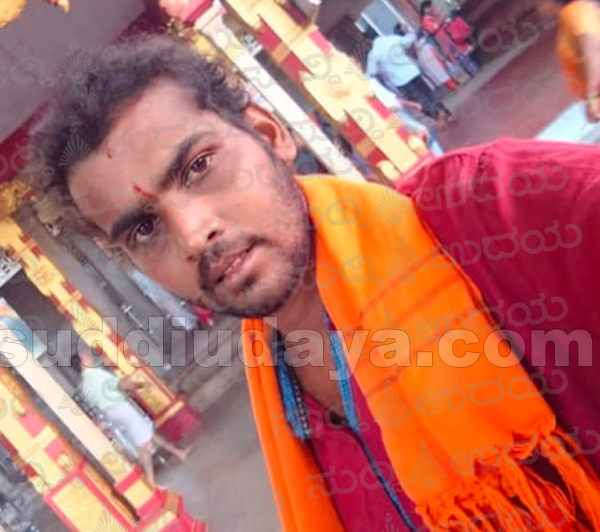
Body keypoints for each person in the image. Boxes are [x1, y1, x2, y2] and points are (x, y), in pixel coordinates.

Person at [30, 35, 600, 532]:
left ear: (269, 133)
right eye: (144, 228)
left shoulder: (494, 211)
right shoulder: (285, 410)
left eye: (198, 166)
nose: (194, 233)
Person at [73, 347, 192, 487]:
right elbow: (121, 385)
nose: (89, 356)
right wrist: (139, 384)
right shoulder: (97, 373)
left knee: (147, 432)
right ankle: (151, 481)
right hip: (121, 408)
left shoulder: (83, 386)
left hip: (110, 414)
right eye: (85, 356)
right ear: (82, 363)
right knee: (143, 445)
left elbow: (95, 405)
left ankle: (178, 452)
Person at [367, 24, 451, 127]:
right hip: (413, 71)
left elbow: (371, 72)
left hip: (401, 81)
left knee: (419, 101)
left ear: (369, 41)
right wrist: (407, 34)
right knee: (428, 94)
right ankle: (443, 111)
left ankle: (438, 114)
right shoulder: (392, 39)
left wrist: (383, 70)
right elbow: (409, 41)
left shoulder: (373, 53)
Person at [535, 0, 600, 121]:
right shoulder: (570, 14)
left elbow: (594, 49)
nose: (536, 6)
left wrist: (593, 96)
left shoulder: (574, 12)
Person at [368, 74, 444, 155]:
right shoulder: (372, 82)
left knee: (420, 134)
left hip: (394, 113)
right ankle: (438, 155)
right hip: (396, 112)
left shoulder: (373, 80)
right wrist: (410, 103)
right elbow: (391, 101)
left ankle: (437, 155)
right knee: (422, 132)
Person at [420, 0, 479, 78]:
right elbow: (433, 28)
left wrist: (437, 13)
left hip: (449, 34)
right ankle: (472, 70)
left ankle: (473, 67)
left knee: (462, 52)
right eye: (428, 7)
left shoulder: (432, 14)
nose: (430, 8)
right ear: (424, 9)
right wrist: (440, 20)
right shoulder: (425, 20)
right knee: (458, 55)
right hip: (444, 39)